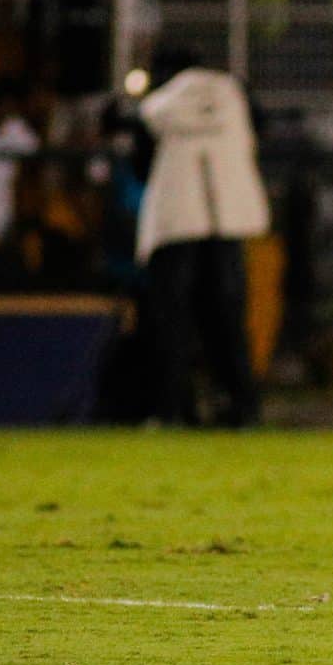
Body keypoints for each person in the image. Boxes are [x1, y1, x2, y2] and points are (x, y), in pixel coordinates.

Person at [137, 47, 270, 427]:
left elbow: (140, 161)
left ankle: (171, 409)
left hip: (175, 225)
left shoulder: (159, 104)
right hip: (228, 221)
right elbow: (260, 134)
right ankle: (242, 406)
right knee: (228, 321)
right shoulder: (234, 94)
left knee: (171, 322)